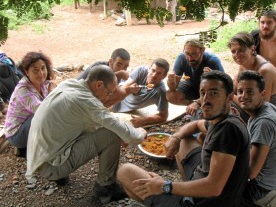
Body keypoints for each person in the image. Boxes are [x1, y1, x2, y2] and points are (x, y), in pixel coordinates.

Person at [117, 70, 250, 207]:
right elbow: (197, 124)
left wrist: (165, 186)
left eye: (214, 93)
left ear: (229, 98)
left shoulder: (228, 130)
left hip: (203, 201)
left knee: (125, 172)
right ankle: (183, 187)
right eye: (203, 93)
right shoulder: (224, 117)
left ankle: (169, 199)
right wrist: (176, 137)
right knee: (184, 139)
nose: (206, 99)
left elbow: (214, 188)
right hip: (206, 181)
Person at [26, 65, 147, 205]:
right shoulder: (87, 102)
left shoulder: (70, 84)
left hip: (39, 155)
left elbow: (93, 122)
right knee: (111, 134)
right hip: (49, 166)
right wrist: (140, 133)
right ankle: (105, 187)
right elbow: (131, 136)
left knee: (101, 128)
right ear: (99, 85)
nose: (109, 96)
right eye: (109, 92)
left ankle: (60, 175)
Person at [236, 70, 276, 205]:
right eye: (240, 91)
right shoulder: (268, 106)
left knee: (216, 192)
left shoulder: (264, 123)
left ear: (262, 94)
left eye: (250, 91)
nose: (243, 96)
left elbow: (250, 172)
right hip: (272, 177)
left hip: (260, 186)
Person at [3, 52, 56, 158]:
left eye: (43, 68)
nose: (41, 73)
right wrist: (52, 92)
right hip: (16, 134)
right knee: (43, 116)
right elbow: (44, 111)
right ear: (27, 72)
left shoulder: (43, 84)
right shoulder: (23, 90)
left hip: (28, 125)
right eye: (35, 70)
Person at [228, 31, 276, 119]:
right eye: (233, 51)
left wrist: (228, 95)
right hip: (251, 109)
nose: (237, 55)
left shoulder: (265, 71)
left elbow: (259, 107)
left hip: (268, 118)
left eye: (241, 50)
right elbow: (234, 89)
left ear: (252, 49)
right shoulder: (244, 65)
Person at [166, 38, 224, 116]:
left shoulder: (213, 61)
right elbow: (172, 88)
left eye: (194, 54)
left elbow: (223, 88)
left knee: (216, 97)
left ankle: (201, 105)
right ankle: (197, 106)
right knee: (170, 95)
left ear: (202, 50)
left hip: (208, 90)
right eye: (187, 54)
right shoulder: (182, 58)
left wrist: (213, 79)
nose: (190, 58)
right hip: (191, 85)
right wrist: (171, 82)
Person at [111, 58, 169, 128]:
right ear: (149, 69)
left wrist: (144, 120)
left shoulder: (160, 92)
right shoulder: (141, 70)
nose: (154, 75)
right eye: (153, 70)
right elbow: (121, 89)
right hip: (115, 94)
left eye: (159, 73)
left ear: (164, 76)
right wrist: (129, 90)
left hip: (127, 108)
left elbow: (164, 116)